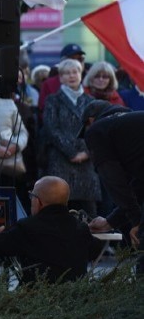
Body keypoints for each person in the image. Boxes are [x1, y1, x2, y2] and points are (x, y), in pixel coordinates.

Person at [0, 176, 103, 284]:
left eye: (32, 196)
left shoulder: (27, 228)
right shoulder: (80, 228)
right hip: (75, 301)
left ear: (39, 202)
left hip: (37, 301)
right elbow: (95, 248)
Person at [80, 102, 143, 272]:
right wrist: (111, 221)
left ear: (90, 121)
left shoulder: (97, 131)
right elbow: (137, 185)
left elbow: (115, 182)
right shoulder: (132, 124)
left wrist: (136, 222)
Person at [41, 58, 100, 217]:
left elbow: (96, 130)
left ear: (81, 75)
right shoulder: (53, 100)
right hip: (61, 161)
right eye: (67, 73)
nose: (71, 76)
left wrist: (86, 153)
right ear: (60, 77)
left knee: (89, 213)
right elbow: (51, 129)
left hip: (86, 164)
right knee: (60, 210)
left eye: (75, 72)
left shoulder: (91, 101)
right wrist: (71, 152)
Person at [38, 44, 86, 114]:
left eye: (80, 59)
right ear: (62, 62)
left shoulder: (90, 80)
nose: (77, 62)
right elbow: (43, 110)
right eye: (72, 59)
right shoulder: (49, 84)